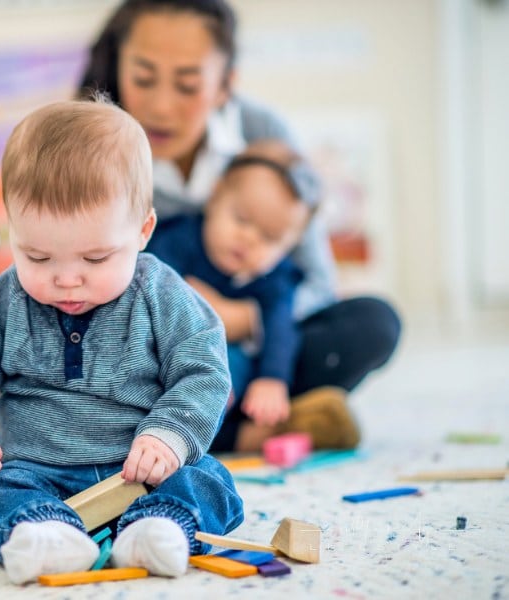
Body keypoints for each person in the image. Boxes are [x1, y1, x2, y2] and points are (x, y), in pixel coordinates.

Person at [0, 99, 243, 584]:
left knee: (208, 479)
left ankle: (158, 529)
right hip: (39, 474)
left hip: (141, 473)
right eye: (38, 256)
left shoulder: (161, 293)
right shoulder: (7, 298)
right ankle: (44, 534)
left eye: (95, 259)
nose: (67, 280)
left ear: (142, 230)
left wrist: (170, 435)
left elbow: (204, 370)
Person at [78, 0, 401, 450]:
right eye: (144, 78)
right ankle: (246, 430)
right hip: (148, 348)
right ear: (118, 66)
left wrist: (244, 320)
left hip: (256, 344)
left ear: (226, 84)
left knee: (373, 324)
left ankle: (235, 422)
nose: (161, 106)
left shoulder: (264, 135)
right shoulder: (92, 144)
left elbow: (318, 283)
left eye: (188, 85)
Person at [148, 141, 359, 452]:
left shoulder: (275, 277)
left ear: (290, 246)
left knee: (231, 368)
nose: (249, 239)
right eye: (242, 219)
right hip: (160, 357)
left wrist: (273, 380)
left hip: (226, 367)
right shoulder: (175, 241)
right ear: (216, 196)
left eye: (269, 238)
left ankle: (205, 433)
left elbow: (280, 329)